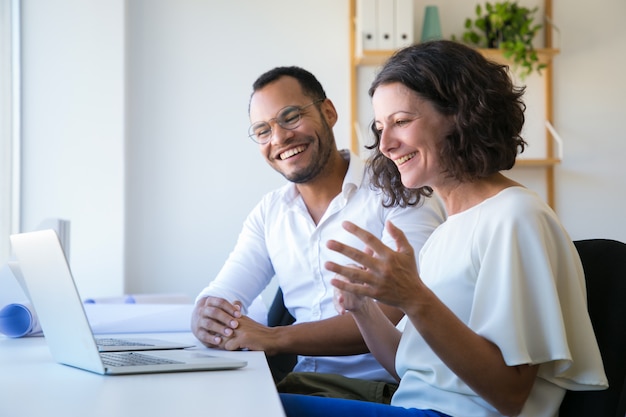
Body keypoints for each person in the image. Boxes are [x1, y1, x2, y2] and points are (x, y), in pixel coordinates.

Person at [280, 40, 608, 417]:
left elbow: (510, 394)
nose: (385, 144)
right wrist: (362, 310)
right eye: (380, 127)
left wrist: (414, 297)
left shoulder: (516, 216)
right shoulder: (445, 232)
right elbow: (414, 373)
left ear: (459, 113)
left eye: (401, 121)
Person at [191, 66, 446, 394]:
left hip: (380, 390)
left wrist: (274, 338)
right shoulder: (270, 212)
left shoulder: (400, 192)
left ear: (328, 112)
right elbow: (225, 292)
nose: (280, 138)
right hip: (300, 384)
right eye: (263, 130)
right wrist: (206, 314)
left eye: (291, 116)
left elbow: (396, 308)